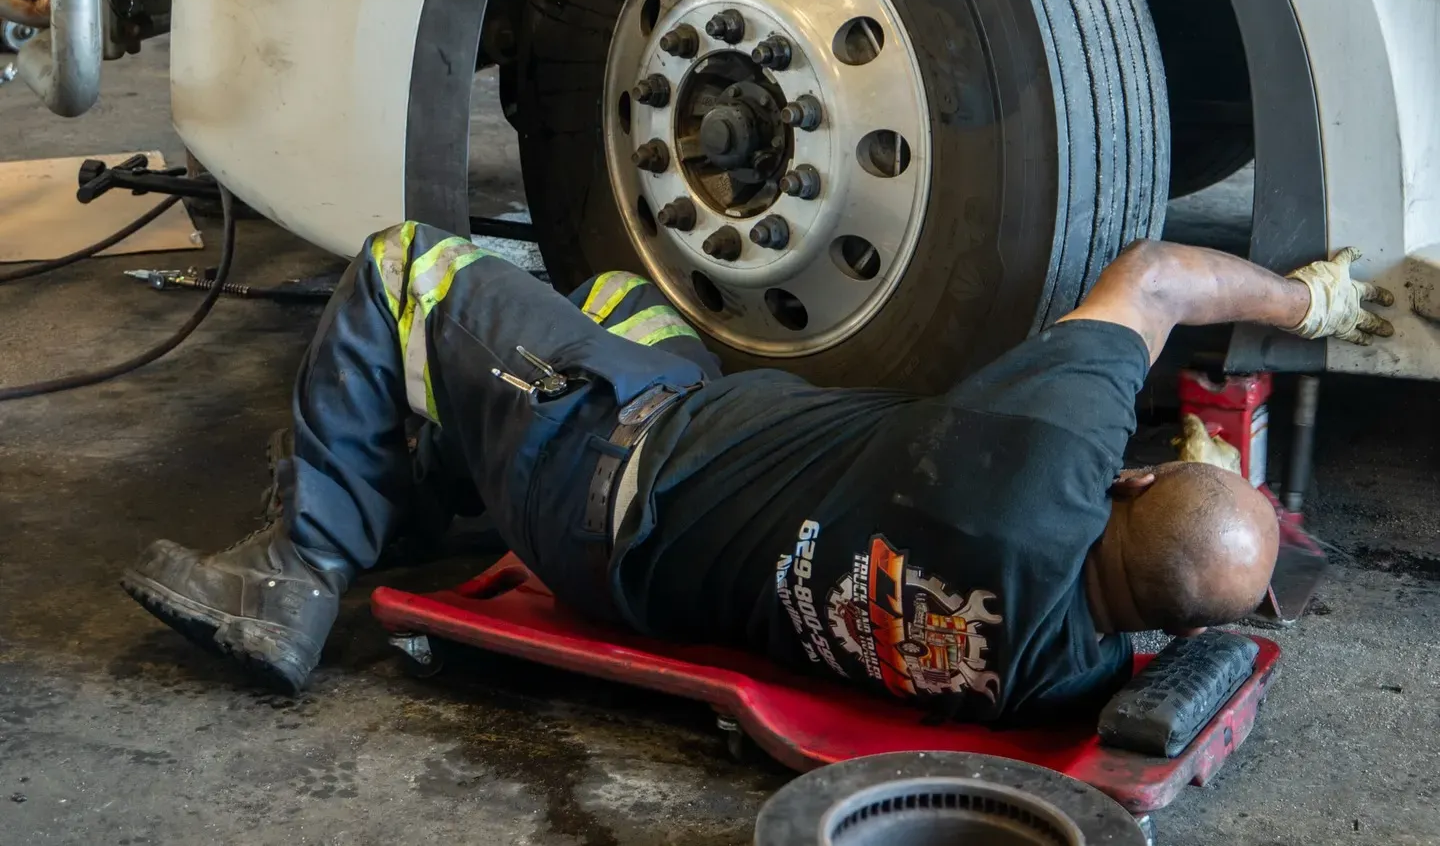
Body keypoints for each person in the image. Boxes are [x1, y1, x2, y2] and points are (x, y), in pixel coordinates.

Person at [122, 229, 1391, 718]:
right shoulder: (1064, 676)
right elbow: (1185, 599)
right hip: (656, 528)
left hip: (602, 481)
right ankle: (430, 467)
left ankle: (297, 571)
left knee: (419, 270)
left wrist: (1317, 298)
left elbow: (1156, 277)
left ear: (1121, 487)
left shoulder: (1050, 457)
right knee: (617, 292)